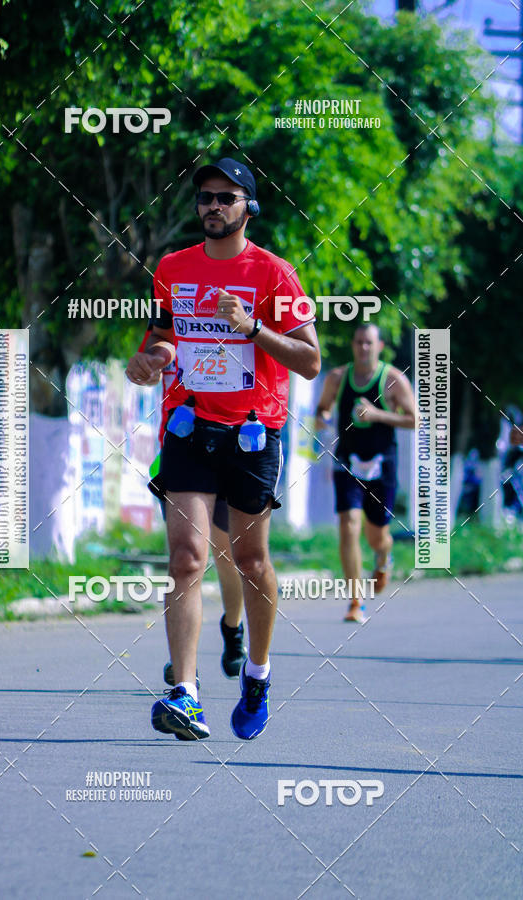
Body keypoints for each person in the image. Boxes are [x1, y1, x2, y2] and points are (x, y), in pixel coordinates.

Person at [126, 157, 320, 740]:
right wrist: (150, 361)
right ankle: (185, 694)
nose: (212, 205)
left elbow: (310, 361)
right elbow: (165, 338)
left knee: (250, 561)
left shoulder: (274, 274)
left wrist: (252, 327)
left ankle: (257, 674)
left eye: (225, 197)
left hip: (252, 434)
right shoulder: (172, 268)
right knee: (186, 558)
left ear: (248, 207)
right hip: (187, 429)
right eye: (205, 196)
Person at [129, 326, 247, 683]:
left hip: (235, 444)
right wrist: (147, 367)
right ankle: (184, 666)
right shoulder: (174, 311)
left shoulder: (242, 309)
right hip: (182, 447)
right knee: (185, 559)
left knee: (226, 554)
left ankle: (233, 627)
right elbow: (157, 356)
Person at [314, 323, 416, 623]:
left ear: (380, 346)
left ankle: (384, 557)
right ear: (353, 345)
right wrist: (323, 418)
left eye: (369, 343)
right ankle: (355, 601)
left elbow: (415, 420)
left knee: (377, 537)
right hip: (347, 461)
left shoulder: (393, 379)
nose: (363, 348)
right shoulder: (337, 378)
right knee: (348, 526)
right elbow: (322, 408)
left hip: (382, 465)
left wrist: (377, 415)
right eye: (359, 342)